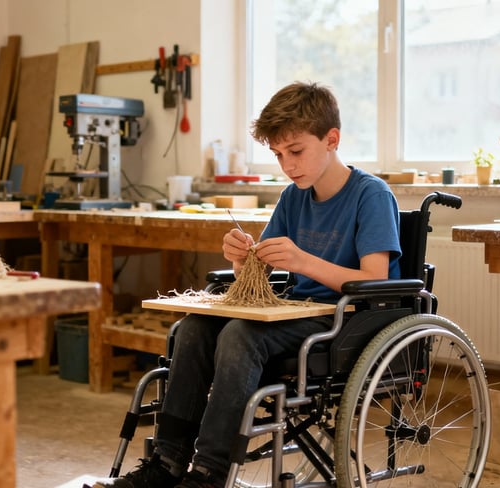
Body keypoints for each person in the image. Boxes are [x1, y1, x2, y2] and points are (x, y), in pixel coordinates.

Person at [98, 81, 401, 488]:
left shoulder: (371, 195)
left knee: (241, 336)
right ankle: (168, 461)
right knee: (193, 329)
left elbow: (375, 280)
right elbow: (258, 271)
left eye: (296, 152)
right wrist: (242, 259)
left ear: (332, 139)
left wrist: (302, 261)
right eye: (278, 155)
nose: (288, 165)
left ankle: (209, 472)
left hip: (344, 323)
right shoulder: (294, 196)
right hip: (297, 313)